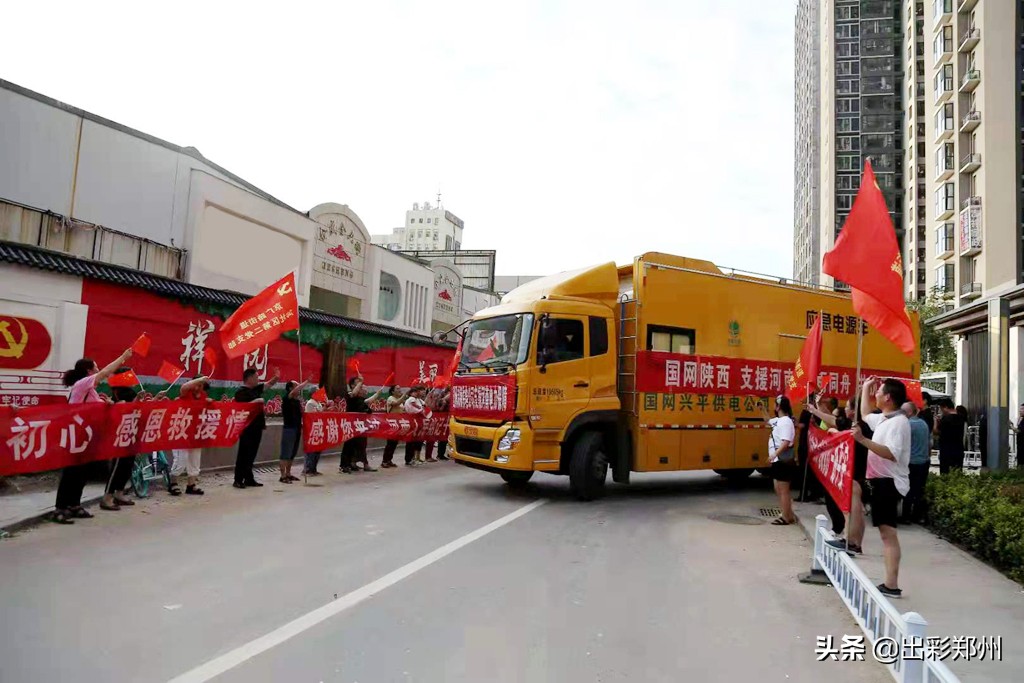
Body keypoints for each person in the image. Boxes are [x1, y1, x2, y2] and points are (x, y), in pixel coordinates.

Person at [53, 348, 133, 524]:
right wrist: (123, 358)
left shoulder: (92, 391)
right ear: (89, 371)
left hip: (88, 439)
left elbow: (99, 408)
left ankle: (74, 505)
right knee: (71, 473)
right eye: (95, 368)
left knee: (83, 473)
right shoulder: (82, 384)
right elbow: (105, 372)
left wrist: (109, 404)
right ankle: (60, 508)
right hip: (76, 436)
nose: (99, 370)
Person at [852, 377, 911, 598]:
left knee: (888, 534)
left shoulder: (899, 423)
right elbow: (866, 414)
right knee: (886, 534)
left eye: (878, 392)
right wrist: (866, 387)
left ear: (888, 397)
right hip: (879, 482)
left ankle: (891, 585)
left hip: (889, 483)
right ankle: (890, 583)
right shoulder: (886, 419)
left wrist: (862, 440)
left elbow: (891, 453)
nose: (875, 395)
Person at [826, 397, 872, 555]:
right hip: (859, 472)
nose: (845, 410)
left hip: (857, 472)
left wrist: (836, 433)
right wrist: (815, 409)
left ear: (854, 410)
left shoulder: (859, 428)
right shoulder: (860, 426)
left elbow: (842, 431)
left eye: (847, 407)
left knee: (853, 509)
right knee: (856, 509)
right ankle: (856, 543)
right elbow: (833, 420)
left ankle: (850, 541)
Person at [801, 396, 845, 536]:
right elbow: (827, 416)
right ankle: (837, 526)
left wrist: (816, 408)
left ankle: (840, 528)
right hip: (827, 460)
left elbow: (831, 418)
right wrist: (817, 405)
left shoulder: (836, 424)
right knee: (829, 496)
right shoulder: (829, 418)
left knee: (835, 498)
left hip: (835, 461)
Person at [233, 367, 279, 489]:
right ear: (249, 378)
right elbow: (243, 407)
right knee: (243, 453)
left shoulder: (256, 390)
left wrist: (276, 377)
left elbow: (268, 384)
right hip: (246, 428)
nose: (258, 379)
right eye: (256, 377)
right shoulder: (241, 392)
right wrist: (256, 401)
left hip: (257, 427)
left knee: (252, 454)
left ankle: (249, 478)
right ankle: (238, 479)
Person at [100, 379, 143, 511]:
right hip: (120, 432)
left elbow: (132, 407)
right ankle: (107, 497)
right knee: (117, 466)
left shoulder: (131, 391)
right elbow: (119, 407)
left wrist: (138, 399)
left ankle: (119, 493)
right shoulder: (117, 391)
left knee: (127, 465)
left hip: (131, 431)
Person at [170, 376, 212, 496]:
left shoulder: (204, 396)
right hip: (181, 433)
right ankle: (173, 483)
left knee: (194, 461)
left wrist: (208, 403)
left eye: (200, 385)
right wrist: (201, 378)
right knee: (180, 460)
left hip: (196, 434)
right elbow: (184, 386)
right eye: (196, 384)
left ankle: (191, 485)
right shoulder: (186, 393)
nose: (197, 387)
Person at [762, 396, 797, 525]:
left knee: (783, 490)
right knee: (778, 488)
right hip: (778, 460)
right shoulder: (779, 420)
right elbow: (767, 421)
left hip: (783, 460)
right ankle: (787, 513)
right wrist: (762, 410)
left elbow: (786, 441)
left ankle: (786, 517)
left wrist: (774, 454)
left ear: (778, 407)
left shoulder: (786, 422)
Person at [339, 376, 384, 473]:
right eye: (358, 383)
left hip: (360, 426)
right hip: (351, 425)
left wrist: (377, 394)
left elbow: (367, 401)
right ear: (352, 385)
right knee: (348, 445)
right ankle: (344, 466)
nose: (361, 385)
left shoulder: (360, 398)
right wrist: (361, 381)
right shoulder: (350, 395)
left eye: (361, 384)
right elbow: (354, 393)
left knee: (360, 445)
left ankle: (353, 464)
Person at [901, 401, 931, 524]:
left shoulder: (907, 425)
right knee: (919, 490)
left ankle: (906, 516)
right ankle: (917, 516)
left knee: (907, 490)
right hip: (923, 462)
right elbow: (929, 444)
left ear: (909, 412)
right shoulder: (924, 424)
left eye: (902, 411)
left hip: (911, 462)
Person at [279, 378, 313, 484]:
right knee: (286, 453)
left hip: (297, 428)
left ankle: (288, 473)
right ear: (290, 388)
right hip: (289, 429)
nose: (299, 389)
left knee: (292, 453)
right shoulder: (287, 398)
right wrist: (307, 381)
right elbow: (294, 391)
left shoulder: (297, 401)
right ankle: (282, 475)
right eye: (296, 386)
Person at [379, 384, 407, 469]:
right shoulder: (391, 398)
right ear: (392, 391)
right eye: (397, 389)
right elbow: (396, 403)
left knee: (394, 443)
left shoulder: (401, 400)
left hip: (398, 424)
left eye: (400, 388)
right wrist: (404, 395)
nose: (400, 390)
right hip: (391, 424)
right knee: (390, 443)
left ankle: (389, 460)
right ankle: (384, 461)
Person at [935, 398, 965, 474]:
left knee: (945, 473)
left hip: (946, 451)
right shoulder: (961, 417)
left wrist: (935, 422)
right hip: (958, 449)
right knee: (957, 472)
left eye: (941, 409)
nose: (941, 412)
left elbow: (936, 431)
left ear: (945, 407)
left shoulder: (946, 419)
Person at [403, 385, 428, 466]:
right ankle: (409, 459)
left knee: (417, 441)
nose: (416, 393)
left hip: (419, 422)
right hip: (413, 421)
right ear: (411, 393)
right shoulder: (411, 400)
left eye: (417, 392)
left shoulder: (419, 400)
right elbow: (418, 409)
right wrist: (422, 410)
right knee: (410, 442)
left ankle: (414, 458)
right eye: (415, 392)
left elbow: (425, 406)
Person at [425, 387, 451, 461]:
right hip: (436, 417)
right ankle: (429, 456)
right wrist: (443, 403)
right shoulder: (437, 393)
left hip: (444, 418)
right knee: (432, 437)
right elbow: (436, 407)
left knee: (444, 436)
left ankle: (440, 454)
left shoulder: (436, 392)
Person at [303, 390, 325, 475]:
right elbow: (313, 415)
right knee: (311, 451)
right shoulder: (310, 403)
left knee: (317, 451)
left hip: (318, 429)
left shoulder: (318, 403)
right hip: (312, 429)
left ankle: (314, 468)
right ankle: (308, 469)